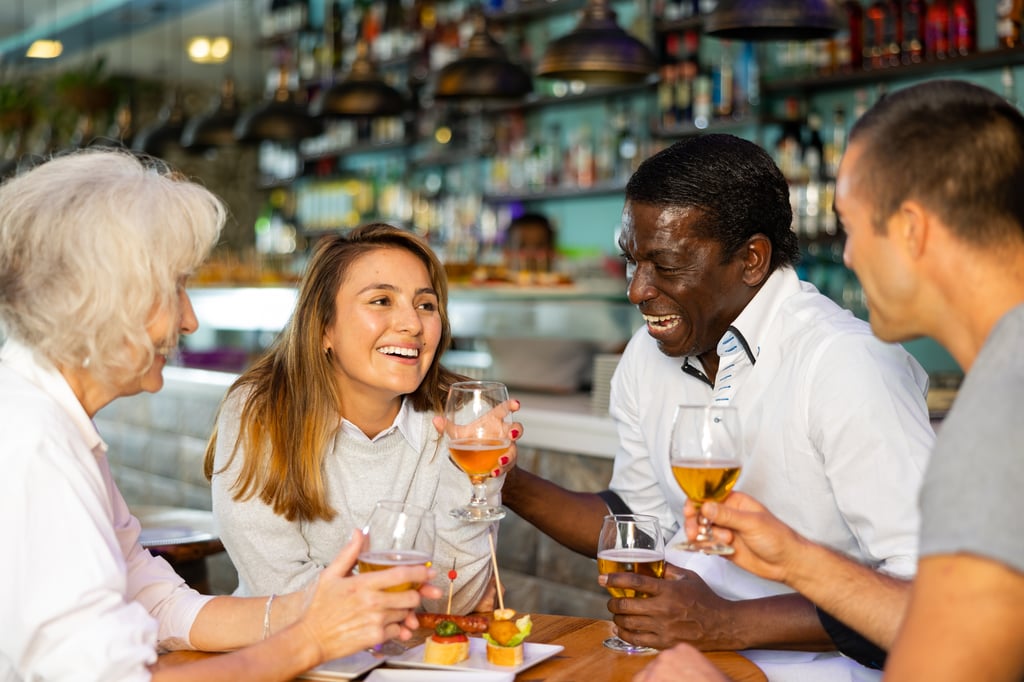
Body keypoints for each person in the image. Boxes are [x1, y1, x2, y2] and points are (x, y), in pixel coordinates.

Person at [499, 133, 936, 680]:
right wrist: (504, 480)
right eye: (633, 261)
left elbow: (931, 596)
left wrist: (726, 623)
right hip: (685, 666)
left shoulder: (845, 363)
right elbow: (640, 522)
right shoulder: (645, 355)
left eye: (666, 264)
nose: (637, 290)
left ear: (751, 259)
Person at [0, 149, 440, 681]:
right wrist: (310, 641)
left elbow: (155, 602)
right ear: (100, 297)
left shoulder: (56, 426)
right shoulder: (30, 445)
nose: (189, 319)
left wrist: (317, 608)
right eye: (176, 287)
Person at [637, 80, 1024, 682]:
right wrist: (799, 561)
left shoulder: (1001, 408)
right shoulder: (1001, 378)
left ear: (912, 229)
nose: (846, 256)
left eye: (852, 224)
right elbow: (954, 622)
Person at [205, 224, 516, 615]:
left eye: (426, 305)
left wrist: (473, 478)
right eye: (381, 300)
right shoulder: (263, 410)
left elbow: (454, 600)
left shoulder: (457, 417)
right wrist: (407, 602)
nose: (413, 324)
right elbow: (280, 591)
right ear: (323, 328)